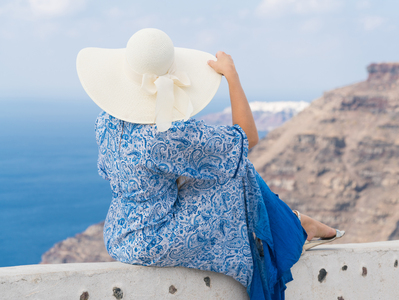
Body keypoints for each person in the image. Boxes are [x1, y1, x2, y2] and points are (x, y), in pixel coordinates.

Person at [77, 28, 344, 300]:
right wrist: (232, 76)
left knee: (220, 165)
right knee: (238, 170)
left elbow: (112, 172)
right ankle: (295, 226)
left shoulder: (107, 121)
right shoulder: (166, 137)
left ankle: (294, 224)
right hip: (154, 242)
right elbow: (247, 137)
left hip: (119, 236)